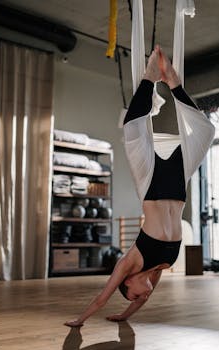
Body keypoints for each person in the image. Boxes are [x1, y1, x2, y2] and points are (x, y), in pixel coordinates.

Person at [64, 45, 215, 327]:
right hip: (177, 183)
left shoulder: (129, 264)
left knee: (132, 131)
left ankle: (149, 78)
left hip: (151, 185)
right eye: (136, 300)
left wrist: (80, 320)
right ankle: (174, 84)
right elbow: (142, 299)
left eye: (132, 296)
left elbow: (102, 297)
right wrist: (124, 317)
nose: (139, 297)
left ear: (128, 282)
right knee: (208, 132)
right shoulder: (156, 271)